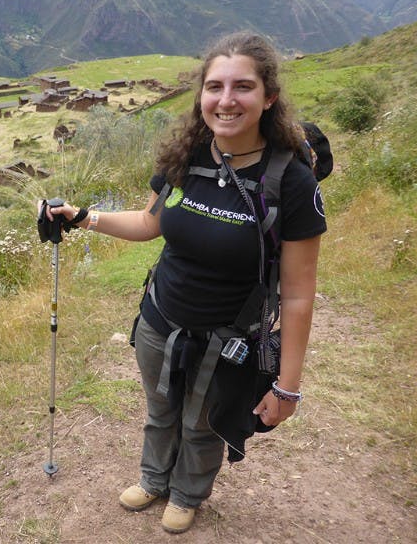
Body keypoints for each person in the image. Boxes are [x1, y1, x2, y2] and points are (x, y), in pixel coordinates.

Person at [40, 32, 326, 534]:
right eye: (214, 86)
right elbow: (150, 224)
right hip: (159, 320)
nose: (226, 99)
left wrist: (288, 387)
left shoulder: (290, 182)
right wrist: (84, 218)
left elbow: (300, 295)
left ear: (269, 97)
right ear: (201, 96)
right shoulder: (187, 156)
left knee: (201, 423)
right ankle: (153, 479)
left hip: (228, 338)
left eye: (243, 86)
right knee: (160, 408)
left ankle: (188, 493)